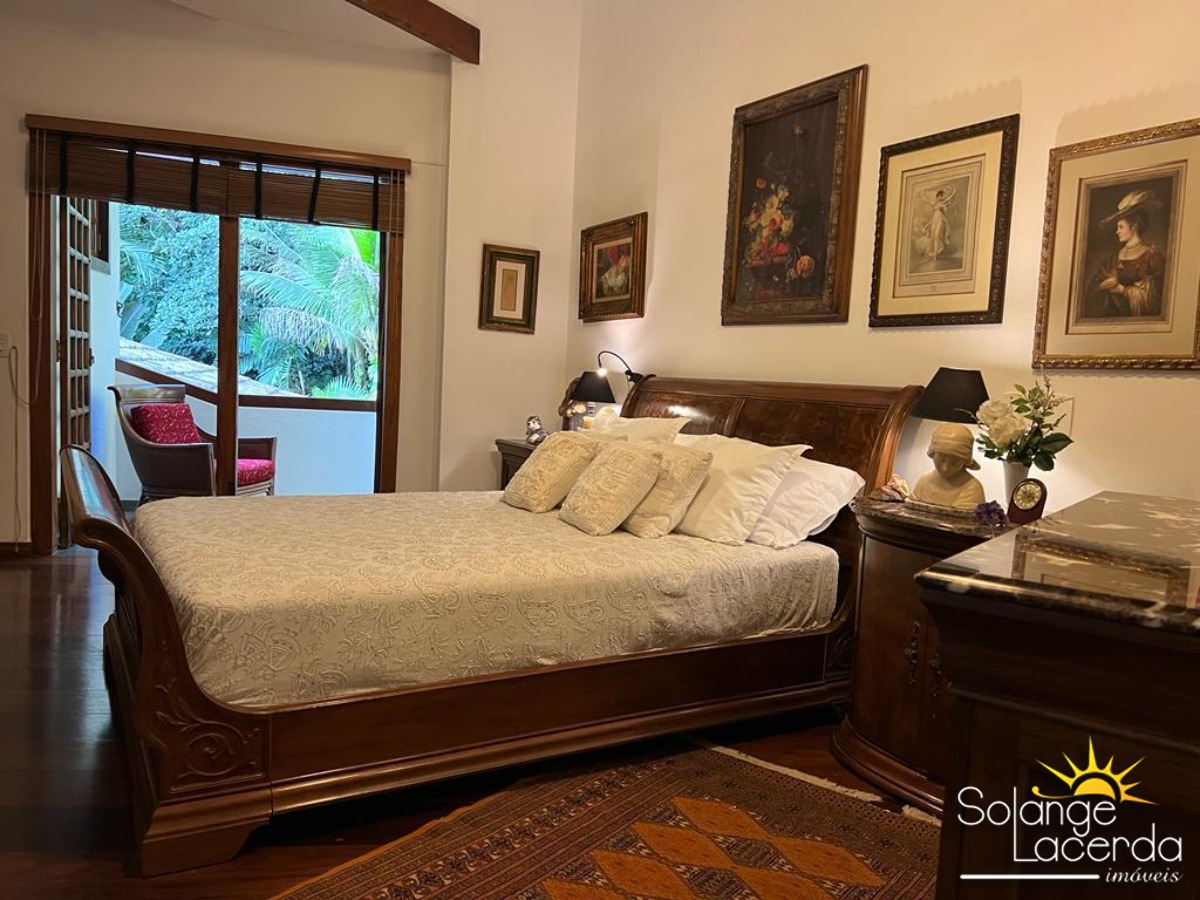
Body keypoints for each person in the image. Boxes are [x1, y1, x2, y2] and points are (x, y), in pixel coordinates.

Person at [1085, 190, 1165, 318]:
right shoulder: (1113, 258)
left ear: (1134, 227)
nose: (1117, 231)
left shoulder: (1151, 255)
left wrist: (1122, 290)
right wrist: (1101, 286)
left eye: (1121, 227)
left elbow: (1154, 298)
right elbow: (1093, 288)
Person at [911, 423, 985, 510]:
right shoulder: (924, 481)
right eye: (941, 460)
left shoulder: (972, 488)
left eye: (954, 462)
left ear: (964, 461)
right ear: (932, 454)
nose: (945, 468)